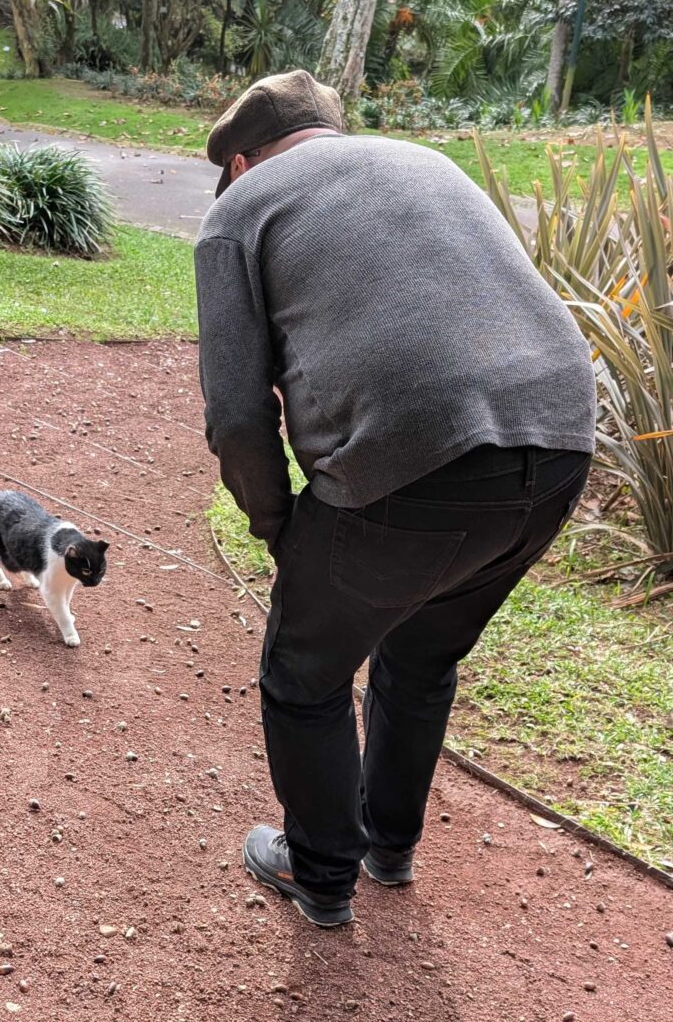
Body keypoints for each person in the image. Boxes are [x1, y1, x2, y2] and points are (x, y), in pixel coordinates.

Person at [194, 70, 595, 928]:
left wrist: (280, 530)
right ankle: (388, 846)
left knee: (304, 674)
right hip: (563, 442)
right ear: (336, 131)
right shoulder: (427, 160)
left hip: (411, 462)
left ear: (236, 160)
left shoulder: (240, 207)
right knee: (420, 655)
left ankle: (321, 873)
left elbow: (234, 415)